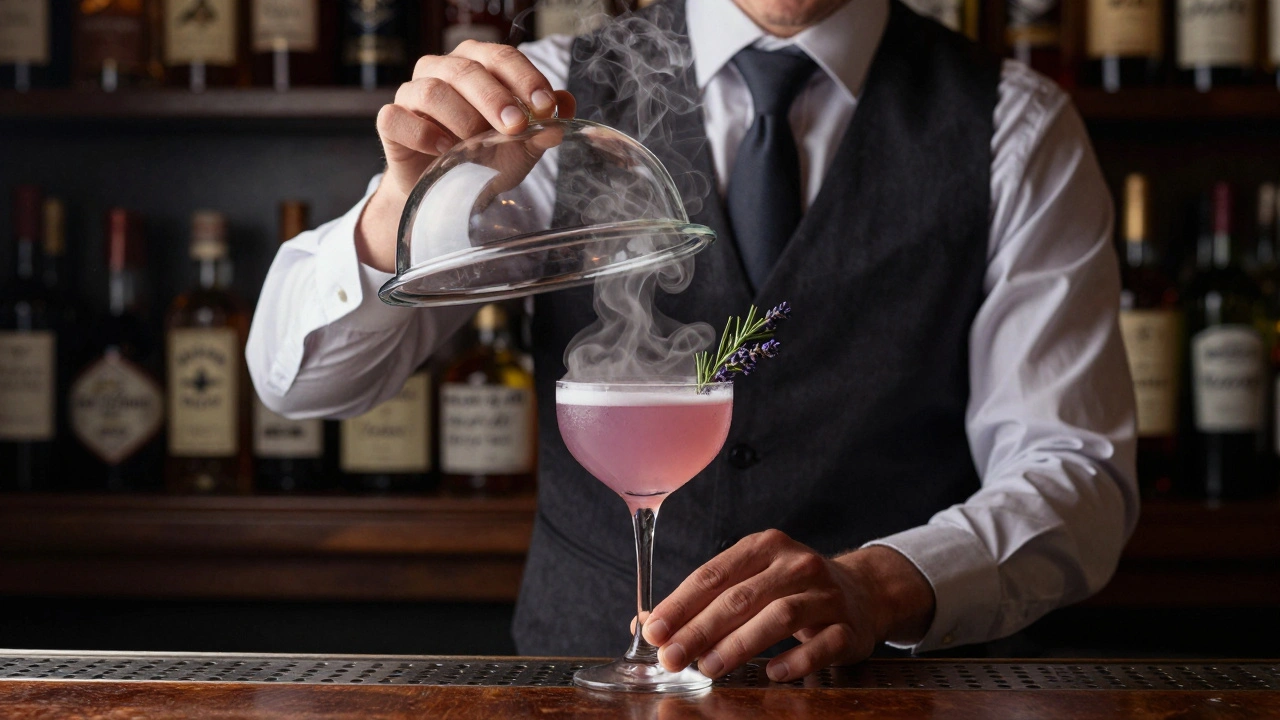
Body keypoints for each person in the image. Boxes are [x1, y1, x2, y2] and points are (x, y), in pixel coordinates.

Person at [247, 0, 1138, 683]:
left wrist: (882, 584)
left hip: (886, 692)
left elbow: (1075, 470)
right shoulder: (543, 96)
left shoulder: (1013, 126)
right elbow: (307, 386)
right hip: (579, 684)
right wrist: (407, 209)